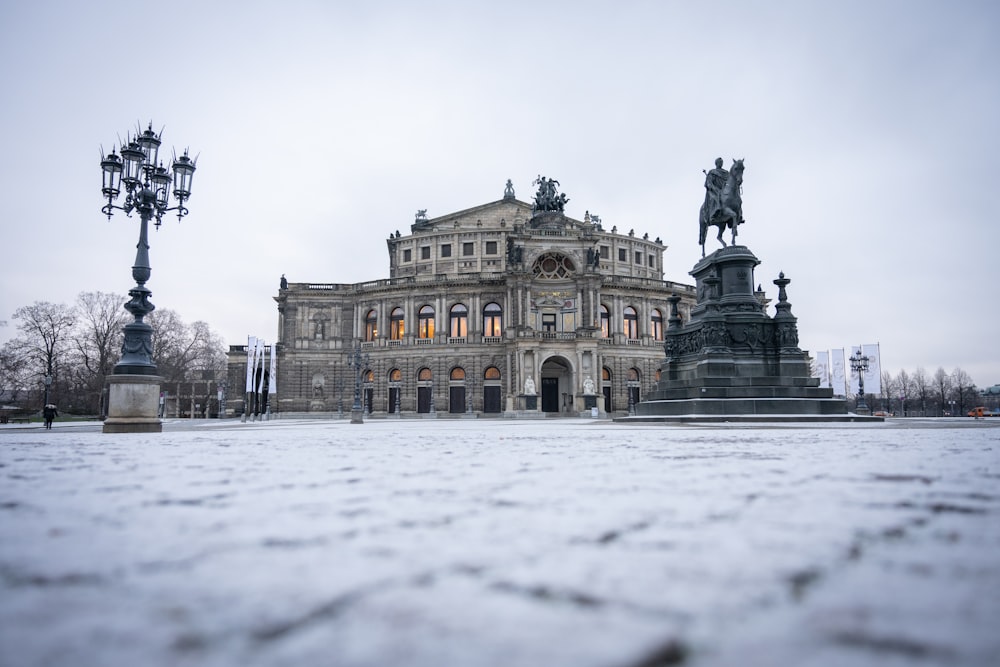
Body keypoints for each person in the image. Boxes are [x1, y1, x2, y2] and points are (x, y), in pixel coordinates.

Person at [702, 157, 729, 225]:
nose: (720, 164)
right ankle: (714, 213)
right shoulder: (712, 172)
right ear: (716, 163)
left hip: (724, 190)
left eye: (721, 162)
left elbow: (729, 182)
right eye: (719, 162)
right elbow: (708, 183)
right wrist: (714, 188)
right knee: (716, 197)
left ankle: (739, 215)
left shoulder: (726, 173)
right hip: (714, 191)